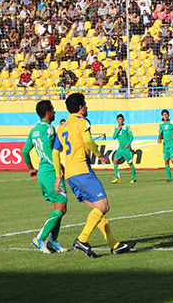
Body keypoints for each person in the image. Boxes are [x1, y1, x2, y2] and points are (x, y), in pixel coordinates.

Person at [52, 93, 135, 257]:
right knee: (103, 206)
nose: (87, 107)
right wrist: (99, 154)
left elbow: (55, 153)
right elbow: (88, 141)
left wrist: (58, 176)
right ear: (81, 107)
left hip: (70, 175)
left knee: (100, 208)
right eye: (85, 104)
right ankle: (82, 240)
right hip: (82, 170)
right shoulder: (82, 122)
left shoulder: (61, 127)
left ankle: (114, 244)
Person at [22, 100, 69, 254]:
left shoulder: (34, 130)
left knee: (60, 208)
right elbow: (49, 150)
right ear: (48, 113)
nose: (54, 113)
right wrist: (59, 167)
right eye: (53, 110)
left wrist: (30, 168)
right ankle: (40, 238)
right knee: (61, 207)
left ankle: (53, 241)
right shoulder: (49, 129)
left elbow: (25, 151)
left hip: (42, 171)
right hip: (50, 171)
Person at [110, 114, 136, 184]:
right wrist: (118, 130)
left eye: (121, 119)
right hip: (120, 149)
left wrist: (128, 143)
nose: (120, 121)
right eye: (119, 119)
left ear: (123, 120)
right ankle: (118, 178)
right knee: (115, 162)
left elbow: (131, 136)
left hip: (126, 149)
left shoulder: (126, 127)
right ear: (117, 120)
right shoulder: (116, 128)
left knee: (130, 163)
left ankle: (134, 178)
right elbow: (114, 137)